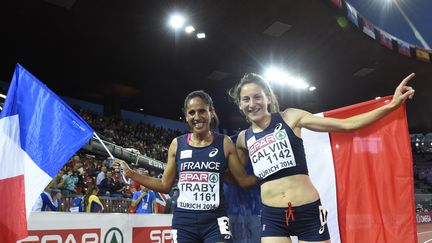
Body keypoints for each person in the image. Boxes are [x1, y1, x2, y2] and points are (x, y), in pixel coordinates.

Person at [228, 72, 415, 243]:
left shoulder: (290, 117)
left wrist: (392, 105)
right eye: (246, 99)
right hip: (272, 217)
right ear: (240, 104)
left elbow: (347, 125)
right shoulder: (244, 139)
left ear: (268, 97)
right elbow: (242, 180)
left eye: (257, 97)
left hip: (308, 211)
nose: (252, 104)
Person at [115, 90, 257, 243]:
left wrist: (272, 173)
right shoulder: (177, 144)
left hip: (215, 221)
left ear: (211, 112)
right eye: (191, 112)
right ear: (186, 116)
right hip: (184, 222)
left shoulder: (225, 142)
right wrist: (131, 174)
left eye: (202, 111)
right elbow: (164, 185)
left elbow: (242, 180)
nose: (197, 117)